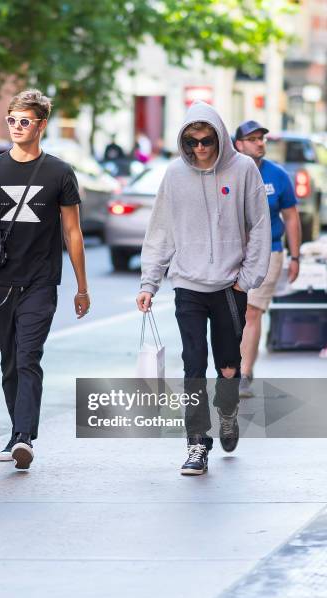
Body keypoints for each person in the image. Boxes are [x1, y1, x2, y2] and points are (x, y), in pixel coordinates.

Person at [136, 101, 271, 476]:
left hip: (230, 286)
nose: (199, 148)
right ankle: (197, 443)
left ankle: (227, 412)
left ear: (220, 137)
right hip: (188, 285)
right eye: (192, 142)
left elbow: (260, 225)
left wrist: (248, 278)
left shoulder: (243, 169)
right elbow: (160, 232)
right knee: (193, 363)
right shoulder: (174, 176)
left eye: (206, 140)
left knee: (228, 365)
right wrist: (150, 281)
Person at [0, 89, 90, 470]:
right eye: (12, 120)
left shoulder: (59, 172)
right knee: (9, 360)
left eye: (25, 121)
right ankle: (17, 430)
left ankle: (22, 438)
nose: (17, 127)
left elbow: (73, 233)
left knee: (28, 356)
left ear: (41, 125)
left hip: (40, 280)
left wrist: (82, 287)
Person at [235, 120, 301, 397]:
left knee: (252, 310)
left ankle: (244, 373)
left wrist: (295, 256)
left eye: (262, 138)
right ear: (238, 144)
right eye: (252, 139)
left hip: (269, 251)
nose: (259, 143)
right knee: (231, 313)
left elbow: (291, 216)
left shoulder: (278, 175)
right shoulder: (228, 173)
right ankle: (229, 367)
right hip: (233, 252)